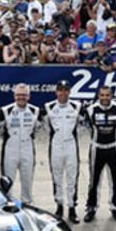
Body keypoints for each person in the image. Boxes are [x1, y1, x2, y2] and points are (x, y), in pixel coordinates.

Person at [82, 83, 116, 222]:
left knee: (115, 179)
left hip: (114, 148)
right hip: (97, 148)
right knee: (94, 180)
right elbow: (87, 127)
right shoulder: (90, 110)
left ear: (112, 96)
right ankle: (91, 208)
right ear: (98, 96)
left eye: (107, 95)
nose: (105, 98)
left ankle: (115, 208)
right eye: (102, 95)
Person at [44, 80, 83, 222]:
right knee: (57, 176)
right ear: (56, 92)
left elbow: (83, 125)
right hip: (56, 145)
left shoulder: (77, 106)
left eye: (66, 90)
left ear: (69, 91)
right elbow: (44, 127)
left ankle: (72, 208)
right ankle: (59, 206)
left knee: (72, 177)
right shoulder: (48, 107)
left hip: (71, 145)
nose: (63, 93)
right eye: (60, 90)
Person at [0, 84, 41, 203]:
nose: (21, 97)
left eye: (24, 95)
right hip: (10, 149)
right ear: (14, 96)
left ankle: (28, 204)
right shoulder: (6, 110)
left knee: (27, 180)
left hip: (27, 149)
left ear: (29, 96)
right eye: (18, 95)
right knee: (7, 182)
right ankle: (7, 205)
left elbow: (37, 129)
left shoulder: (35, 111)